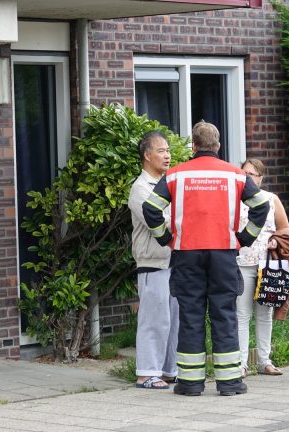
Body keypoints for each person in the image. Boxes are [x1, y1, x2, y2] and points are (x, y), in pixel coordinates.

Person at [143, 121, 269, 397]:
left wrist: (166, 239)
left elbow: (151, 208)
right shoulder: (236, 175)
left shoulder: (175, 175)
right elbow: (261, 205)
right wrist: (244, 238)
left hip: (187, 254)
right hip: (223, 253)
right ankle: (229, 382)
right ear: (218, 145)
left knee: (190, 315)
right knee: (224, 313)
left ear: (193, 146)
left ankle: (190, 383)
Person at [128, 131, 179, 390]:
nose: (167, 155)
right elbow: (158, 220)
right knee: (154, 319)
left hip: (173, 262)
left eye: (168, 150)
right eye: (161, 151)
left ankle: (168, 370)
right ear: (147, 156)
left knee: (172, 320)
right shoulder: (140, 188)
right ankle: (146, 373)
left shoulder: (167, 184)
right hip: (152, 262)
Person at [236, 159, 289, 378]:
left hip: (266, 265)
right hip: (241, 263)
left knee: (265, 314)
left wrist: (276, 240)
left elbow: (284, 228)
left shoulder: (271, 199)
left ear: (261, 178)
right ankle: (241, 363)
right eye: (244, 173)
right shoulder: (234, 199)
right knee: (241, 314)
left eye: (252, 174)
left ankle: (264, 361)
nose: (247, 178)